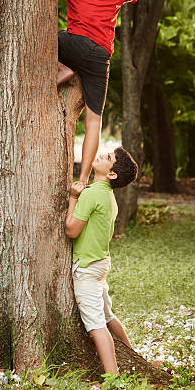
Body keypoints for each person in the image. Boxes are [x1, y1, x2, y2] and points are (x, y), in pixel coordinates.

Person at [57, 0, 193, 189]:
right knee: (93, 121)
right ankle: (83, 179)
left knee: (49, 35)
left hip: (72, 45)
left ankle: (63, 66)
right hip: (99, 56)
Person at [65, 146, 138, 375]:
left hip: (87, 268)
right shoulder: (107, 195)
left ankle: (113, 378)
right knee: (107, 317)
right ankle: (133, 357)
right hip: (100, 264)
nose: (100, 155)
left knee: (96, 326)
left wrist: (72, 198)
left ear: (112, 174)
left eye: (107, 158)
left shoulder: (91, 194)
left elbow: (71, 230)